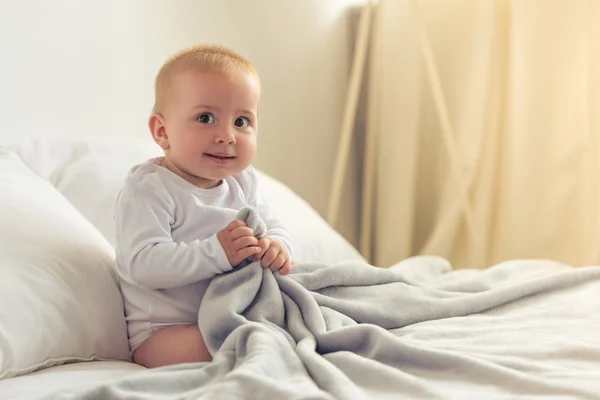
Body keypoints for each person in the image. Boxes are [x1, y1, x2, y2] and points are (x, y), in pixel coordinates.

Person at [113, 45, 294, 368]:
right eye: (206, 118)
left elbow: (274, 225)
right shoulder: (151, 188)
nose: (227, 136)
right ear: (162, 130)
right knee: (252, 345)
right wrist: (217, 252)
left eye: (241, 121)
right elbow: (143, 263)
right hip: (165, 334)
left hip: (233, 310)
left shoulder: (244, 182)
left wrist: (277, 246)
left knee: (287, 327)